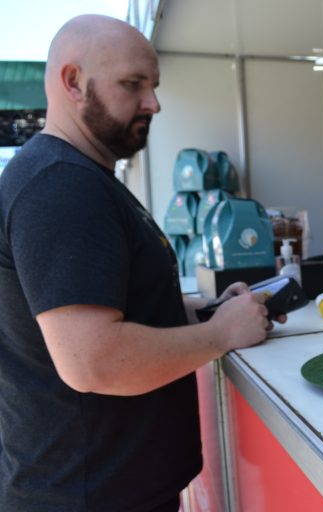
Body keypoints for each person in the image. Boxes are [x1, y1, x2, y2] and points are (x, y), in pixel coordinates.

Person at [0, 15, 283, 512]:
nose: (153, 102)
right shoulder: (60, 185)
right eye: (133, 84)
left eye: (153, 85)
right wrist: (222, 335)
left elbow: (114, 309)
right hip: (89, 497)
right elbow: (94, 361)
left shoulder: (81, 177)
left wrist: (206, 310)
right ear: (72, 82)